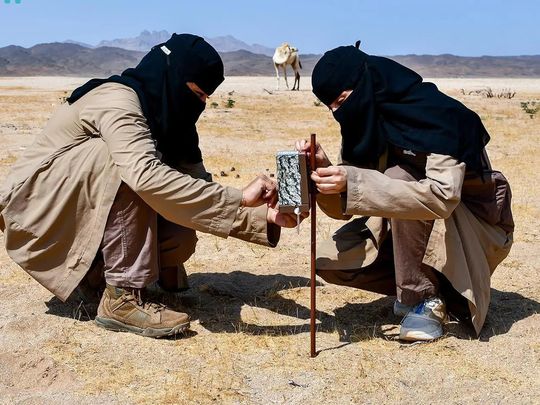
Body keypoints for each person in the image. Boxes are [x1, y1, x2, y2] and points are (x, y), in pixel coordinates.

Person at [0, 33, 302, 338]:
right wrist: (239, 196)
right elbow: (143, 175)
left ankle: (96, 274)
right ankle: (122, 299)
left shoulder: (172, 123)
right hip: (37, 214)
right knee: (128, 165)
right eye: (196, 93)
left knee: (180, 235)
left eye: (205, 98)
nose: (199, 104)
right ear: (172, 76)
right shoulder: (119, 100)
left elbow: (197, 189)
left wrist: (264, 216)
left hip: (77, 211)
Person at [296, 44, 514, 342]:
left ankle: (424, 298)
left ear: (366, 85)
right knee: (328, 261)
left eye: (342, 101)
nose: (338, 112)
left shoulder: (438, 116)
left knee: (401, 176)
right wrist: (325, 169)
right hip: (408, 228)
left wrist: (353, 180)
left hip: (470, 229)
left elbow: (442, 197)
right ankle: (422, 285)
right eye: (331, 106)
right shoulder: (367, 123)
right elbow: (344, 207)